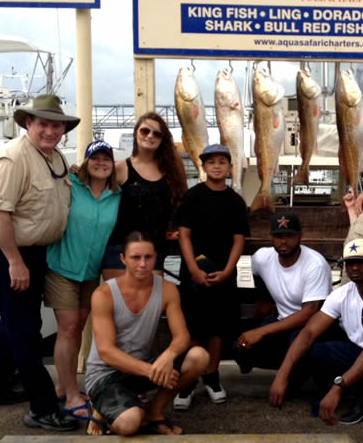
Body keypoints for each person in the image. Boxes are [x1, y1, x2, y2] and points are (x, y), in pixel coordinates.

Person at [0, 95, 79, 431]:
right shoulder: (12, 158)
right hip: (8, 254)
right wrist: (15, 262)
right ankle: (42, 407)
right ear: (28, 124)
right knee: (26, 332)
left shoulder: (54, 156)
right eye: (42, 123)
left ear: (63, 128)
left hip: (34, 253)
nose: (49, 130)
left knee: (15, 324)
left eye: (55, 124)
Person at [269, 238, 363, 440]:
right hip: (362, 352)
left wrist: (338, 387)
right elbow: (308, 333)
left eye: (361, 262)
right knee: (310, 351)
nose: (355, 267)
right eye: (350, 263)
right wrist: (282, 375)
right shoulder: (342, 294)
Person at [85, 232, 209, 436]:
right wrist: (152, 371)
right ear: (123, 259)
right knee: (129, 424)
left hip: (141, 369)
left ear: (155, 257)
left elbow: (182, 337)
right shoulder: (104, 294)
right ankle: (103, 408)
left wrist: (168, 356)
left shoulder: (168, 289)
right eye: (135, 258)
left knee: (199, 357)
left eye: (148, 257)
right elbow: (106, 351)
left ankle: (153, 412)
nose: (142, 264)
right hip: (105, 376)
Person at [43, 140, 121, 418]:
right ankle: (72, 395)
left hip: (91, 273)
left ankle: (63, 386)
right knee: (68, 327)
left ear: (113, 165)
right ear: (86, 162)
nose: (101, 163)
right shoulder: (70, 186)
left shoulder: (117, 195)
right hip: (61, 267)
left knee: (77, 328)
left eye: (106, 159)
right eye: (95, 158)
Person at [173, 144, 250, 409]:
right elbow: (184, 234)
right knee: (194, 326)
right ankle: (189, 378)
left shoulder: (236, 201)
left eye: (222, 162)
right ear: (203, 167)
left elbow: (239, 239)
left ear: (230, 167)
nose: (216, 166)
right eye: (211, 162)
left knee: (218, 327)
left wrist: (229, 270)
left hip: (223, 273)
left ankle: (212, 375)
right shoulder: (193, 196)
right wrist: (193, 269)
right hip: (194, 272)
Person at [234, 211, 331, 375]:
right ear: (271, 236)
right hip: (282, 323)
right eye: (278, 236)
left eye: (290, 236)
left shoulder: (315, 264)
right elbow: (256, 273)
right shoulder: (262, 257)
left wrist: (261, 331)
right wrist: (263, 298)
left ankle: (302, 374)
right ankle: (292, 369)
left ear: (301, 235)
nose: (284, 241)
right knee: (241, 345)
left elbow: (309, 313)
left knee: (299, 352)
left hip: (312, 327)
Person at [102, 112, 187, 280]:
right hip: (119, 250)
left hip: (153, 251)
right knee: (118, 303)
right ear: (136, 133)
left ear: (162, 139)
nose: (150, 136)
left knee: (151, 304)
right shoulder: (120, 168)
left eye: (157, 133)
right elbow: (94, 194)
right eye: (145, 131)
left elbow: (183, 205)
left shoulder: (172, 172)